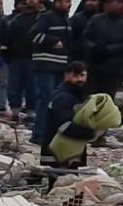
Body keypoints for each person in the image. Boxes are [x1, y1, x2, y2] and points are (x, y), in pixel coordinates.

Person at [40, 61, 90, 184]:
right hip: (59, 152)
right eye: (75, 76)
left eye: (82, 75)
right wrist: (89, 133)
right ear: (66, 75)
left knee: (67, 188)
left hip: (65, 151)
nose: (80, 79)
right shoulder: (64, 97)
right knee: (62, 188)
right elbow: (64, 125)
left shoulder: (74, 95)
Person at [31, 0, 73, 143]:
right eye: (66, 1)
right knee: (46, 99)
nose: (69, 4)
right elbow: (34, 35)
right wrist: (53, 40)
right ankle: (38, 135)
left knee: (56, 101)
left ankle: (50, 134)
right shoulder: (47, 17)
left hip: (60, 66)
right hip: (45, 64)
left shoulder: (66, 19)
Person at [84, 0, 123, 98]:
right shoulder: (96, 19)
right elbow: (86, 37)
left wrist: (110, 50)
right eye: (105, 2)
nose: (107, 4)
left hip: (114, 68)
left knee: (107, 100)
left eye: (110, 2)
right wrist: (94, 48)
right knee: (89, 98)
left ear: (121, 3)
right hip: (94, 66)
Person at [2, 0, 40, 117]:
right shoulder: (16, 20)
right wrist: (6, 55)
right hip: (16, 58)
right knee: (14, 86)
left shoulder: (41, 20)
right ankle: (15, 111)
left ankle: (31, 112)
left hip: (33, 58)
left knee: (32, 86)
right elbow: (7, 39)